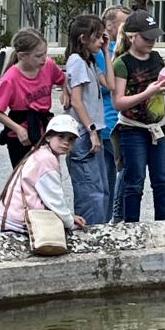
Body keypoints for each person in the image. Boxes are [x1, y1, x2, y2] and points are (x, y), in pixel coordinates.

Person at [112, 10, 165, 223]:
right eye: (147, 38)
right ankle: (132, 226)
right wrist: (147, 93)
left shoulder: (156, 58)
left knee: (162, 180)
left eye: (154, 37)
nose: (152, 42)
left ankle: (163, 225)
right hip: (133, 128)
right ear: (132, 36)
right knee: (134, 181)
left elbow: (163, 89)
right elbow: (118, 102)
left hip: (159, 127)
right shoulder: (122, 63)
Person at [0, 27, 68, 167]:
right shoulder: (10, 79)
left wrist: (65, 91)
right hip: (21, 136)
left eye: (45, 53)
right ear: (22, 56)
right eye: (38, 56)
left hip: (45, 130)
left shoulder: (48, 65)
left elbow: (62, 79)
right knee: (25, 175)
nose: (44, 58)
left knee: (48, 172)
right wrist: (17, 129)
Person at [0, 115, 87, 234]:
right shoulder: (46, 159)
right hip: (21, 221)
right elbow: (53, 199)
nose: (66, 142)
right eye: (61, 136)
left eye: (71, 139)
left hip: (11, 216)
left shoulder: (41, 152)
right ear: (48, 137)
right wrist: (69, 222)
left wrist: (69, 216)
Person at [64, 14, 110, 225]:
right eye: (97, 37)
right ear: (83, 38)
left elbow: (110, 84)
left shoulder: (89, 62)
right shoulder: (77, 61)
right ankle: (89, 235)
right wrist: (91, 130)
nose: (101, 40)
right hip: (84, 133)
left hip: (93, 131)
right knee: (91, 193)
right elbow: (76, 100)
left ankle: (99, 232)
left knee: (102, 191)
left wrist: (106, 52)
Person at [96, 5, 130, 222]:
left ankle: (106, 221)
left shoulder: (122, 51)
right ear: (109, 26)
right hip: (110, 122)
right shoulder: (103, 54)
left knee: (110, 177)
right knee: (124, 171)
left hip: (114, 121)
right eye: (125, 23)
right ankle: (116, 218)